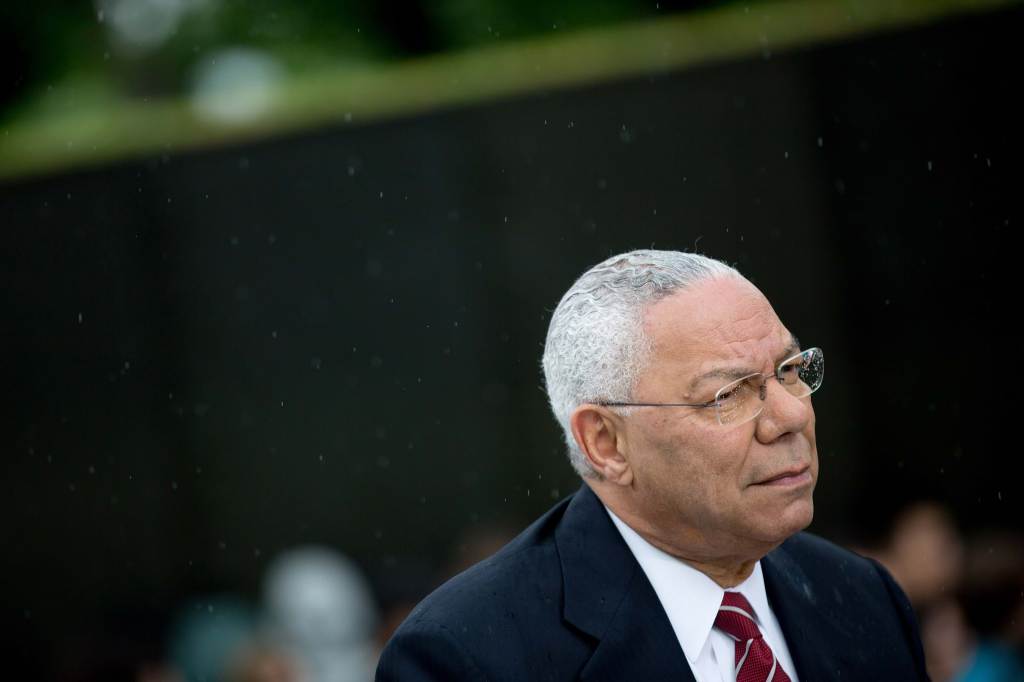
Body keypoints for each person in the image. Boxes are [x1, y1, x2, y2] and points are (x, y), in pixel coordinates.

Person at [376, 249, 928, 681]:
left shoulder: (860, 596)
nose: (789, 416)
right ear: (606, 444)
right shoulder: (470, 656)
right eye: (730, 394)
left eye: (789, 369)